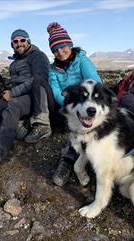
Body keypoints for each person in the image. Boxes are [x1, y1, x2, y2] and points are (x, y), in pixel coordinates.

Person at [0, 29, 52, 166]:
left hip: (35, 97)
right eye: (15, 41)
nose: (19, 43)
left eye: (22, 40)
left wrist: (13, 93)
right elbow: (16, 81)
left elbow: (39, 80)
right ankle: (18, 127)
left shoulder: (38, 56)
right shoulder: (14, 63)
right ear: (12, 44)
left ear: (28, 41)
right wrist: (4, 89)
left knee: (13, 104)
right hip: (18, 98)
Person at [46, 22, 102, 186]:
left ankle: (69, 160)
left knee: (88, 127)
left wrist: (73, 95)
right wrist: (68, 102)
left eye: (63, 47)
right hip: (66, 107)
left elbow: (94, 82)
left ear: (69, 44)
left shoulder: (82, 60)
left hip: (86, 102)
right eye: (55, 49)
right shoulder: (53, 69)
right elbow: (55, 91)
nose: (60, 52)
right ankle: (69, 160)